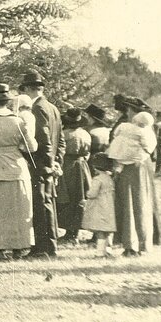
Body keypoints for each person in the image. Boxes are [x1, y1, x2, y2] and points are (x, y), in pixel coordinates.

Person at [0, 83, 37, 260]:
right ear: (7, 101)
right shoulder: (17, 121)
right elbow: (31, 147)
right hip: (15, 167)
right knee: (17, 209)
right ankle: (18, 247)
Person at [20, 71, 64, 258]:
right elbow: (60, 140)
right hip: (49, 163)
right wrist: (56, 162)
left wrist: (47, 164)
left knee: (40, 206)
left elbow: (45, 139)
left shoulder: (37, 108)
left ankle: (43, 247)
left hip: (40, 164)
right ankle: (50, 246)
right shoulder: (52, 107)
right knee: (47, 204)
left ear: (30, 89)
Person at [108, 107, 156, 256]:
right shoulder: (147, 133)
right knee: (141, 204)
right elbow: (149, 148)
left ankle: (130, 243)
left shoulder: (123, 129)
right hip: (140, 167)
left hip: (126, 168)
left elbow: (115, 142)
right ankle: (143, 243)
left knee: (128, 205)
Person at [56, 108, 92, 244]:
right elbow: (87, 153)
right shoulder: (85, 134)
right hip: (82, 165)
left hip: (67, 165)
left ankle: (68, 231)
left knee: (66, 197)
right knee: (79, 197)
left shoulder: (64, 134)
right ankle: (74, 231)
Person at [82, 153, 116, 257]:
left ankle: (100, 252)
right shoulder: (110, 178)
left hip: (99, 208)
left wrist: (86, 196)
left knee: (100, 231)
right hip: (109, 208)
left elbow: (93, 193)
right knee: (107, 230)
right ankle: (108, 250)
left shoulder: (97, 179)